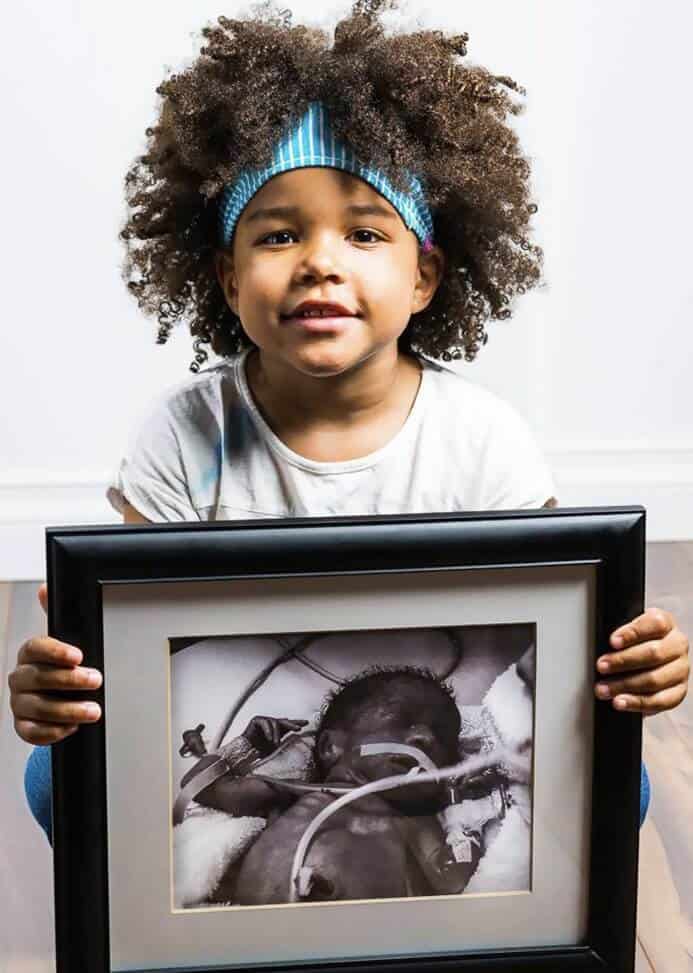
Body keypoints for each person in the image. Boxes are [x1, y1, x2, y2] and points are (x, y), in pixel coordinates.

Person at [8, 0, 688, 840]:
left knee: (626, 788)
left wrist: (629, 661)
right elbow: (141, 652)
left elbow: (542, 632)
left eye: (365, 233)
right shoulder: (184, 434)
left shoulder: (481, 439)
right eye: (279, 234)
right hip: (244, 719)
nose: (320, 261)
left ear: (426, 278)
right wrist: (71, 678)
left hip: (429, 722)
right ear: (225, 277)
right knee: (56, 774)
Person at [178, 667, 489, 905]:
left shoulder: (416, 824)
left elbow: (451, 878)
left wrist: (468, 822)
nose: (426, 738)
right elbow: (201, 787)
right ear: (331, 748)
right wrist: (247, 745)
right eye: (403, 720)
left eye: (443, 739)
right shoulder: (290, 793)